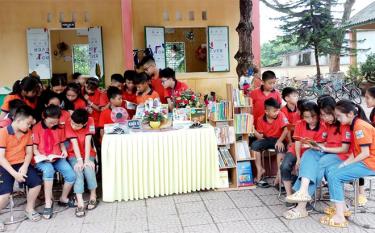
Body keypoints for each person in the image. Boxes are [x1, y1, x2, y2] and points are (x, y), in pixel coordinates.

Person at [283, 96, 351, 220]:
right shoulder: (329, 124)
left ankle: (301, 206)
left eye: (327, 115)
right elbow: (328, 142)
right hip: (327, 153)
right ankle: (303, 191)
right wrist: (318, 146)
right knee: (309, 153)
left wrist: (323, 148)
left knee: (317, 166)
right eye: (322, 115)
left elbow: (344, 149)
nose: (324, 119)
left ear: (334, 111)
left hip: (339, 156)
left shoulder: (343, 124)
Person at [320, 100, 375, 228]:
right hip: (365, 160)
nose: (337, 119)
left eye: (339, 116)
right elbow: (356, 151)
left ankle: (340, 216)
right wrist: (344, 164)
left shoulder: (360, 126)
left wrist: (345, 165)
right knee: (331, 169)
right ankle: (341, 208)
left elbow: (365, 153)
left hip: (370, 163)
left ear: (350, 114)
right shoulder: (354, 125)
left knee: (335, 176)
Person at [0, 106, 43, 231]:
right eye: (28, 123)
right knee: (4, 194)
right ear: (18, 120)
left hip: (21, 163)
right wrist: (15, 174)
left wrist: (24, 167)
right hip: (5, 165)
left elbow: (29, 153)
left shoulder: (27, 132)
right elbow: (1, 158)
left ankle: (29, 209)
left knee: (36, 183)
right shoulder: (3, 132)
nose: (29, 127)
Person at [32, 105, 76, 219]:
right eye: (51, 122)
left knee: (71, 175)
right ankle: (48, 202)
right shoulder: (36, 128)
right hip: (42, 159)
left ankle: (63, 198)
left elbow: (61, 144)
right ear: (44, 117)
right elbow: (34, 148)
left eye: (55, 122)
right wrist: (42, 157)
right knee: (49, 170)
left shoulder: (59, 127)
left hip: (56, 157)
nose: (53, 125)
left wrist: (64, 151)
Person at [280, 101, 327, 202]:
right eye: (306, 117)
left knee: (306, 169)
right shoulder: (300, 124)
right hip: (297, 150)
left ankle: (304, 195)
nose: (310, 120)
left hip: (312, 153)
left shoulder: (324, 126)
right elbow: (297, 142)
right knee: (284, 166)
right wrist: (298, 158)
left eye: (313, 116)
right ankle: (289, 194)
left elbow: (323, 145)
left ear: (318, 114)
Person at [65, 109, 98, 217]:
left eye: (77, 125)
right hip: (73, 154)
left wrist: (87, 160)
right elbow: (74, 143)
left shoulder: (90, 120)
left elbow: (88, 141)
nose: (73, 126)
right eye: (73, 123)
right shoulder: (68, 121)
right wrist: (80, 161)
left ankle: (93, 196)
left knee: (89, 169)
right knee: (78, 171)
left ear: (84, 123)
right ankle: (80, 202)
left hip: (88, 153)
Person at [251, 98, 289, 187]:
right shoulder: (260, 119)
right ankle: (260, 169)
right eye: (274, 111)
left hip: (279, 139)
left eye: (278, 110)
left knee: (280, 148)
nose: (277, 112)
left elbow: (286, 129)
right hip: (267, 139)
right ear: (266, 111)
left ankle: (279, 174)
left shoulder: (281, 115)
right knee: (254, 145)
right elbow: (260, 137)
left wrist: (280, 141)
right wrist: (252, 129)